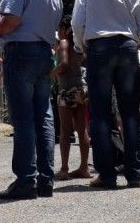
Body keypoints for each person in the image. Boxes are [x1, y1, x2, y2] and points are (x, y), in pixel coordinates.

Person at [0, 0, 63, 200]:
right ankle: (46, 180)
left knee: (22, 118)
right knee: (43, 115)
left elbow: (10, 22)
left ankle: (25, 181)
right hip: (45, 54)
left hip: (21, 52)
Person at [71, 0, 140, 189]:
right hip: (126, 46)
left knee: (101, 114)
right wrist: (131, 41)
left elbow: (77, 22)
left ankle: (107, 174)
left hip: (99, 47)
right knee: (130, 113)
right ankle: (134, 173)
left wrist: (81, 45)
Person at [52, 25, 91, 181]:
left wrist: (49, 75)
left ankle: (64, 169)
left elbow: (63, 64)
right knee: (82, 129)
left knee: (65, 131)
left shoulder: (64, 43)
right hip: (81, 88)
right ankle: (84, 167)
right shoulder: (79, 45)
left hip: (67, 89)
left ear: (62, 29)